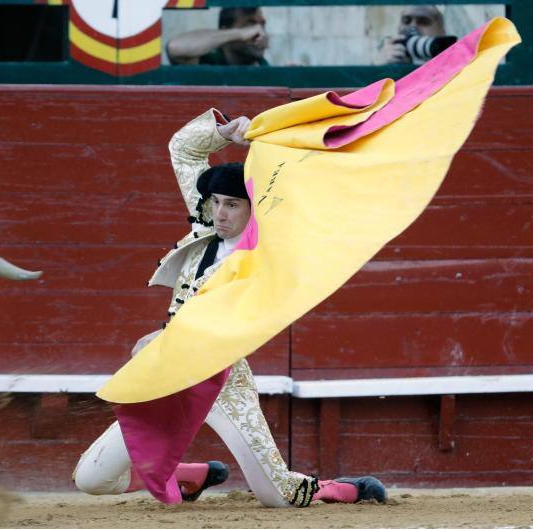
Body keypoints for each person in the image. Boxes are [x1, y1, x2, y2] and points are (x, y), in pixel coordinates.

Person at [73, 109, 388, 507]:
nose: (220, 213)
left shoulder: (266, 253)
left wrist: (266, 147)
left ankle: (345, 488)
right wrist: (225, 133)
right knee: (91, 479)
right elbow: (184, 151)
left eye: (233, 205)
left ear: (255, 208)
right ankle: (187, 476)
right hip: (165, 370)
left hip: (222, 379)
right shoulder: (205, 227)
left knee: (277, 496)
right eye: (216, 202)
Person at [167, 7, 268, 66]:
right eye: (250, 25)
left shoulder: (264, 67)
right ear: (225, 30)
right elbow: (175, 47)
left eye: (262, 25)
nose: (260, 32)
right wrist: (240, 34)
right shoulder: (209, 62)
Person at [377, 5, 446, 64]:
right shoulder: (391, 54)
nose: (413, 26)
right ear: (398, 28)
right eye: (406, 21)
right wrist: (385, 66)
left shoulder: (449, 61)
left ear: (441, 31)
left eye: (423, 22)